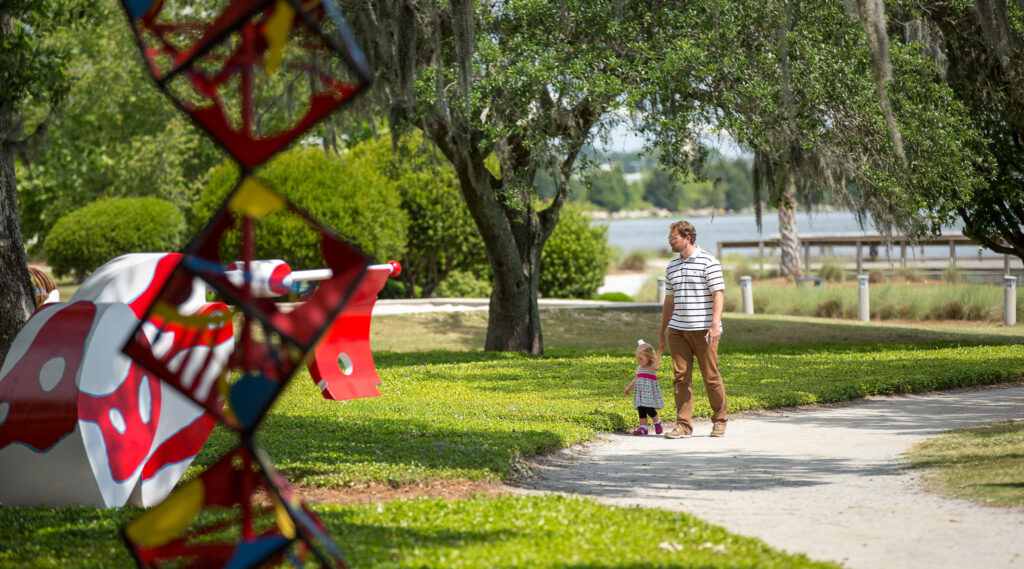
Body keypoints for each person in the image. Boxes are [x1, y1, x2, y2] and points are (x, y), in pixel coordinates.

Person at [657, 220, 728, 439]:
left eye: (674, 238)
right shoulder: (671, 266)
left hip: (704, 331)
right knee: (680, 379)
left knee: (711, 377)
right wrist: (663, 331)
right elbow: (669, 301)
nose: (670, 242)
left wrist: (714, 325)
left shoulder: (708, 261)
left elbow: (718, 294)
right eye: (669, 238)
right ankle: (683, 425)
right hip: (678, 331)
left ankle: (720, 421)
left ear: (687, 238)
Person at [624, 340, 663, 436]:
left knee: (649, 409)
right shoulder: (639, 368)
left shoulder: (652, 368)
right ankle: (643, 428)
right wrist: (629, 387)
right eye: (637, 358)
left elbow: (657, 363)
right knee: (641, 409)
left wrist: (659, 354)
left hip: (648, 393)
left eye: (641, 358)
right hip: (640, 393)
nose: (638, 360)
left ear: (649, 357)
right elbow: (637, 379)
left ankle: (657, 422)